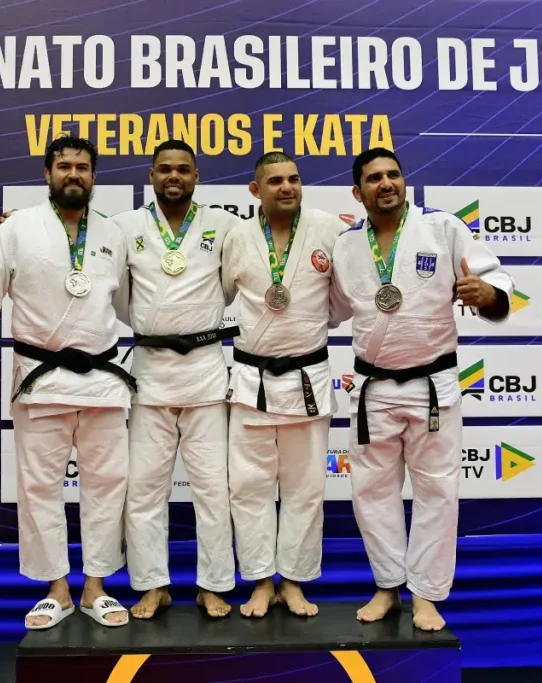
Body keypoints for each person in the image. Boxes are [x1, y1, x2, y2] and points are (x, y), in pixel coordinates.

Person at [328, 147, 514, 631]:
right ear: (358, 191)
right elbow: (329, 310)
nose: (385, 183)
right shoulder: (347, 245)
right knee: (371, 490)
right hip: (373, 386)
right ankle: (388, 585)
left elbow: (495, 284)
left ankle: (427, 594)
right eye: (373, 178)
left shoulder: (444, 228)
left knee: (437, 491)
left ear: (404, 182)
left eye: (393, 175)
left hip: (432, 384)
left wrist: (486, 295)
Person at [0, 135, 133, 630]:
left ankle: (96, 585)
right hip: (40, 379)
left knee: (108, 485)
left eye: (82, 166)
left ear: (94, 176)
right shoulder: (18, 230)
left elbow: (125, 304)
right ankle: (57, 588)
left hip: (101, 380)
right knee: (39, 488)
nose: (73, 174)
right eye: (63, 166)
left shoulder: (112, 234)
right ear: (47, 174)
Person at [109, 139, 241, 619]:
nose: (174, 177)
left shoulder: (224, 226)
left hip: (205, 368)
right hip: (149, 371)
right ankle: (152, 585)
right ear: (151, 175)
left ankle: (213, 584)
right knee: (144, 488)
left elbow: (230, 287)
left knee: (212, 487)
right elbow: (119, 297)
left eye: (183, 169)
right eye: (165, 169)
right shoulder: (124, 227)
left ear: (197, 176)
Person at [220, 151, 349, 618]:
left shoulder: (329, 230)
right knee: (249, 489)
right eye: (274, 181)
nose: (287, 187)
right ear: (256, 190)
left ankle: (292, 582)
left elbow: (343, 300)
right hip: (251, 380)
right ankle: (258, 581)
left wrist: (306, 324)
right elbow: (214, 295)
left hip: (307, 377)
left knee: (306, 487)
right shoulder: (236, 237)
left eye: (294, 179)